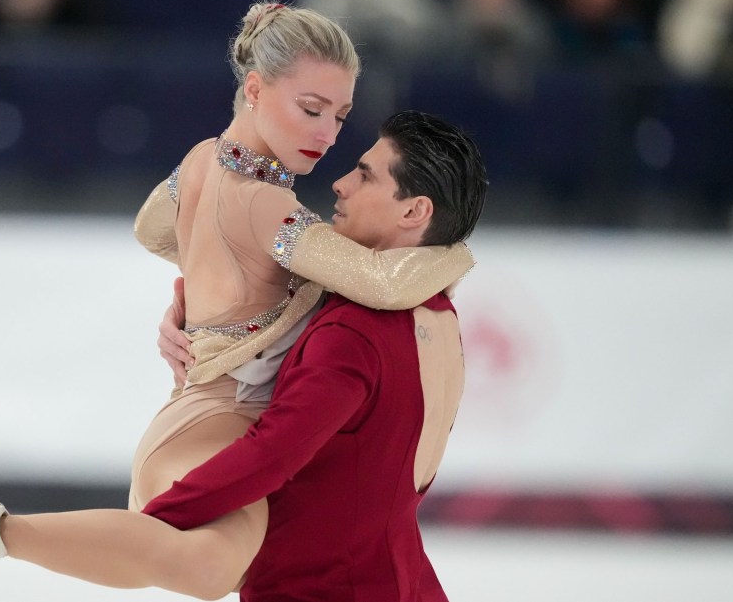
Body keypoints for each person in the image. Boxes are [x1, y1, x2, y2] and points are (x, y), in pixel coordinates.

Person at [0, 2, 474, 600]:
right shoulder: (268, 203)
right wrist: (454, 250)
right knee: (209, 566)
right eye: (311, 108)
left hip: (204, 414)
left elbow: (152, 225)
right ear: (255, 89)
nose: (328, 135)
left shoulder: (202, 160)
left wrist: (203, 288)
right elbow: (382, 282)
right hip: (218, 418)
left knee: (213, 569)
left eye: (338, 114)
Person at [144, 110, 486, 601]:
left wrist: (152, 524)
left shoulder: (356, 329)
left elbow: (271, 454)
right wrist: (198, 323)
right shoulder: (435, 313)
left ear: (414, 212)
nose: (341, 184)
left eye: (365, 175)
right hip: (400, 580)